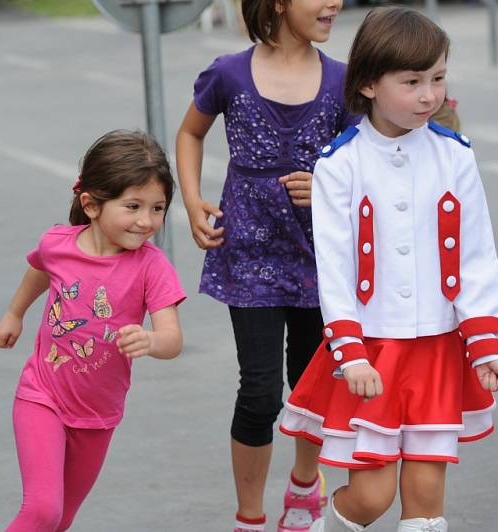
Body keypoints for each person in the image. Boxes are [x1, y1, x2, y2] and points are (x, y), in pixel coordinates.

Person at [277, 7, 498, 532]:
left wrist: (487, 344)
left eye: (437, 78)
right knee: (371, 496)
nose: (429, 95)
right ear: (367, 83)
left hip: (437, 348)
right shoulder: (339, 164)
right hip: (371, 353)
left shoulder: (456, 156)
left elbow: (477, 253)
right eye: (411, 82)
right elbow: (335, 268)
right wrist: (351, 353)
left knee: (427, 498)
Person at [175, 1, 357, 530]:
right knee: (259, 392)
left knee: (309, 384)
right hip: (247, 254)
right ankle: (249, 519)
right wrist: (192, 202)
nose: (335, 3)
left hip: (319, 257)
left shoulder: (344, 83)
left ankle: (304, 486)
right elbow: (190, 134)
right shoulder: (228, 73)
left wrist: (326, 183)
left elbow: (361, 164)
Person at [0, 130, 186, 531]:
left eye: (157, 208)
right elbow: (39, 270)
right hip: (41, 395)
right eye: (133, 206)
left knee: (60, 521)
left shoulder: (152, 266)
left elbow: (172, 339)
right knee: (42, 510)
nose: (146, 221)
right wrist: (15, 313)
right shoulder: (58, 244)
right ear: (92, 204)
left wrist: (151, 340)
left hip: (98, 416)